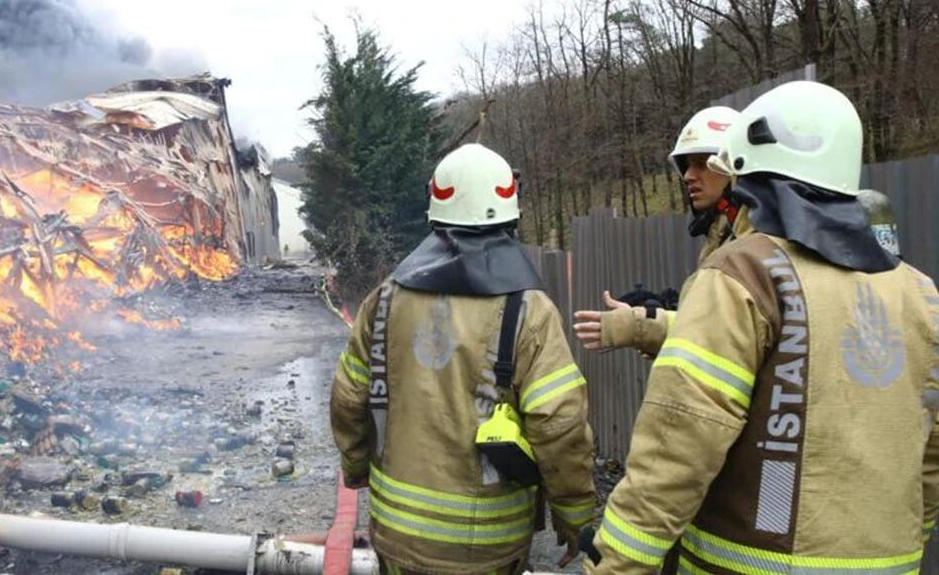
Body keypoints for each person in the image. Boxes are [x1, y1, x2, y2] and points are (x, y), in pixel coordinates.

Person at [583, 80, 939, 574]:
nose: (693, 174)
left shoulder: (743, 273)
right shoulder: (921, 293)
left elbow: (680, 444)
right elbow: (930, 455)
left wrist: (615, 565)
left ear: (743, 168)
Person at [329, 143, 597, 575]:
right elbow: (558, 423)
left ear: (435, 208)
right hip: (487, 544)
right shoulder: (527, 308)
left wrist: (356, 465)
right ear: (510, 209)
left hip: (398, 536)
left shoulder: (384, 299)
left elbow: (348, 397)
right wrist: (575, 516)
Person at [571, 106, 740, 357]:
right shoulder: (722, 237)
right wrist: (664, 310)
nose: (688, 176)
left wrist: (641, 325)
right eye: (687, 166)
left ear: (738, 168)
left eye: (703, 163)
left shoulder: (751, 244)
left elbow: (724, 337)